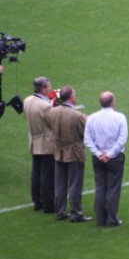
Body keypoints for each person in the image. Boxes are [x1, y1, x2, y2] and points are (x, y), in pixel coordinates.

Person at [48, 86, 92, 222]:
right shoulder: (76, 115)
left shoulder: (52, 112)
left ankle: (60, 211)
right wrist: (87, 119)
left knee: (60, 185)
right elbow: (84, 132)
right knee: (75, 185)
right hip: (74, 153)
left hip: (58, 151)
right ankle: (76, 213)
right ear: (71, 98)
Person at [84, 91, 128, 227]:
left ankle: (101, 219)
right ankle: (112, 219)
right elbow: (122, 140)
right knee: (113, 189)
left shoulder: (92, 118)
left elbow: (87, 139)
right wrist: (109, 154)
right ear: (112, 102)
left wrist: (98, 154)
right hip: (114, 158)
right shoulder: (120, 117)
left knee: (100, 187)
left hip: (98, 159)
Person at [23, 77, 55, 213]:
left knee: (36, 172)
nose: (51, 88)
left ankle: (37, 201)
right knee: (47, 174)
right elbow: (53, 121)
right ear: (43, 89)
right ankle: (49, 204)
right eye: (48, 87)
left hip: (33, 139)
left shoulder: (27, 100)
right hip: (46, 142)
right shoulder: (45, 106)